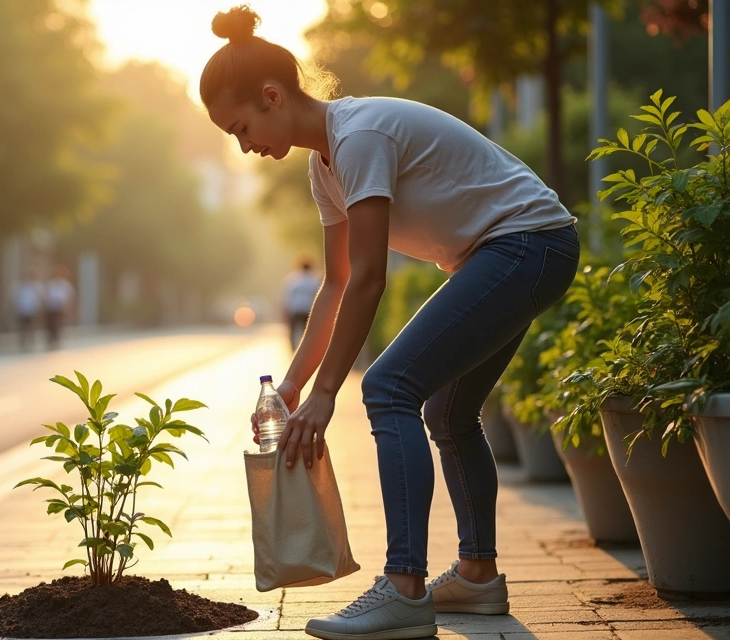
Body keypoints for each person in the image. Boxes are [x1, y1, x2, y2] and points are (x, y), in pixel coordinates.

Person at [202, 7, 579, 640]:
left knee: (387, 387)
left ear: (272, 96)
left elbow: (371, 278)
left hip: (527, 244)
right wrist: (294, 386)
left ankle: (404, 587)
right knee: (448, 412)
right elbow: (337, 284)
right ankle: (478, 576)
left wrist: (328, 393)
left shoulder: (359, 137)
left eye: (241, 128)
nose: (245, 146)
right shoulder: (324, 166)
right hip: (511, 251)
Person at [282, 256, 320, 350]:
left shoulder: (293, 279)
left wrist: (285, 312)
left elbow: (286, 297)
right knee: (307, 333)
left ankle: (293, 349)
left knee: (293, 331)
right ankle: (306, 349)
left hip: (296, 310)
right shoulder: (314, 280)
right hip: (309, 310)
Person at [43, 265, 75, 350]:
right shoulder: (51, 284)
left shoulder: (65, 285)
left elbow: (69, 297)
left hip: (60, 309)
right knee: (50, 325)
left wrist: (68, 308)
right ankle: (51, 340)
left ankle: (56, 340)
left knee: (58, 325)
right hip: (51, 308)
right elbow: (46, 295)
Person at [12, 269, 43, 351]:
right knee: (22, 326)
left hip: (32, 310)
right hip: (22, 310)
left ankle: (30, 341)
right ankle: (23, 342)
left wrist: (38, 309)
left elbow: (39, 299)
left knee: (31, 326)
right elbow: (16, 299)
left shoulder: (36, 286)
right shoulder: (20, 287)